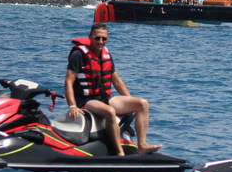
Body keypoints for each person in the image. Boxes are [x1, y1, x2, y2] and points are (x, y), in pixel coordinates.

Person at [65, 23, 162, 156]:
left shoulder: (106, 54)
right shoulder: (78, 54)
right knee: (110, 111)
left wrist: (129, 99)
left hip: (104, 98)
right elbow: (69, 82)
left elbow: (116, 81)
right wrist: (72, 106)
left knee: (142, 104)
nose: (101, 41)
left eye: (104, 38)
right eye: (97, 38)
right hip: (86, 101)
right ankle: (119, 152)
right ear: (90, 37)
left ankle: (142, 145)